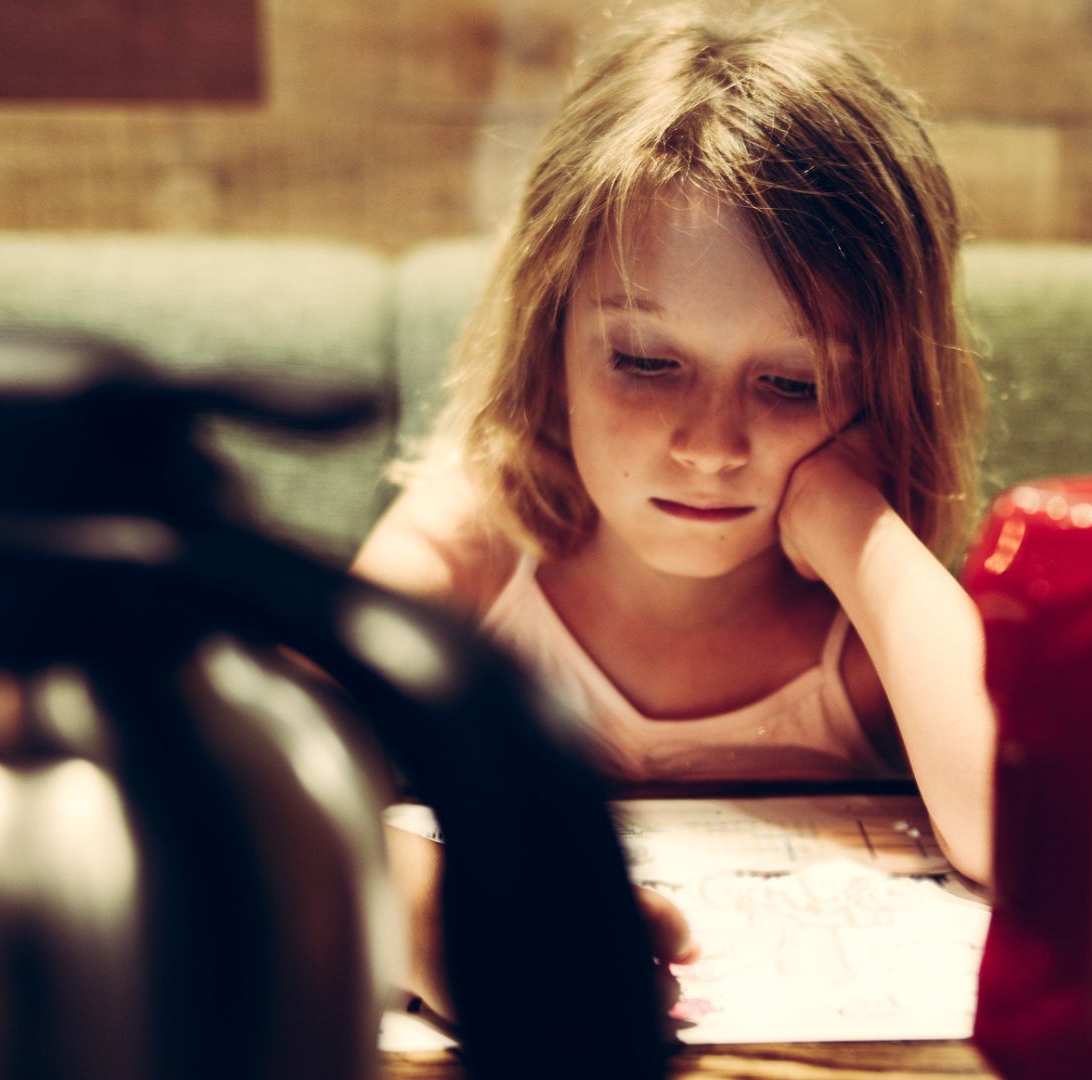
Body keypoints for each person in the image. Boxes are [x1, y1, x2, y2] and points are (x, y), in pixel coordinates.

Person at [353, 3, 995, 1017]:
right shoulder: (474, 543)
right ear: (548, 341)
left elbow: (1016, 831)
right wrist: (434, 915)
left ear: (883, 386)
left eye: (792, 383)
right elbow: (250, 772)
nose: (710, 446)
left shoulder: (858, 621)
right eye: (648, 363)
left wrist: (855, 532)